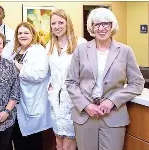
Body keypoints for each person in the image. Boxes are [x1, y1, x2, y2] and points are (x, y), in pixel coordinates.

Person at [65, 7, 145, 150]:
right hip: (85, 116)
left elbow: (137, 83)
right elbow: (71, 82)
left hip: (113, 116)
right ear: (92, 27)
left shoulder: (125, 51)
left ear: (112, 25)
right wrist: (86, 105)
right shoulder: (81, 50)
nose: (101, 28)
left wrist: (112, 101)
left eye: (105, 24)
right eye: (97, 24)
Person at [46, 9, 87, 150]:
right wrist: (50, 88)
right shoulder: (49, 45)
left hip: (73, 99)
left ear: (67, 23)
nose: (57, 26)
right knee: (58, 140)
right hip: (55, 99)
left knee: (69, 142)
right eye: (53, 23)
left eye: (60, 22)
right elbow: (48, 72)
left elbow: (87, 73)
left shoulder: (80, 44)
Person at [11, 22, 52, 150]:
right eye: (20, 33)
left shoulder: (38, 51)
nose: (22, 35)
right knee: (19, 142)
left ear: (33, 34)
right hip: (17, 105)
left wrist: (17, 66)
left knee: (33, 143)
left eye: (26, 33)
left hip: (32, 102)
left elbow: (39, 74)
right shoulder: (17, 51)